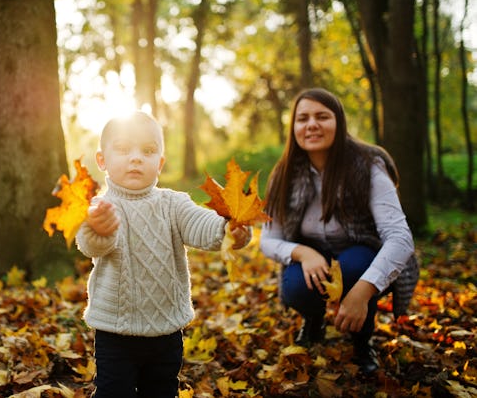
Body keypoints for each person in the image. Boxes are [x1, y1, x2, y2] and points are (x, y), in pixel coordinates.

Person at [76, 110, 251, 398]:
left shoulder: (173, 204)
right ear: (102, 160)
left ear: (159, 163)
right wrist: (100, 229)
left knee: (161, 390)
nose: (135, 158)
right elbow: (91, 245)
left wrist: (228, 230)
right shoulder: (100, 207)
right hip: (115, 333)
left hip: (166, 330)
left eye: (147, 151)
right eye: (122, 149)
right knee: (112, 392)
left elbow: (200, 226)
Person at [259, 88, 419, 375]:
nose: (311, 125)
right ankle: (314, 319)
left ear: (339, 123)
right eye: (302, 118)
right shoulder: (283, 174)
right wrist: (302, 252)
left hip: (360, 252)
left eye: (323, 116)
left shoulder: (368, 166)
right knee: (296, 286)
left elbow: (400, 238)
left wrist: (363, 291)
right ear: (293, 127)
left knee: (355, 267)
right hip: (314, 256)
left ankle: (361, 340)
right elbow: (269, 240)